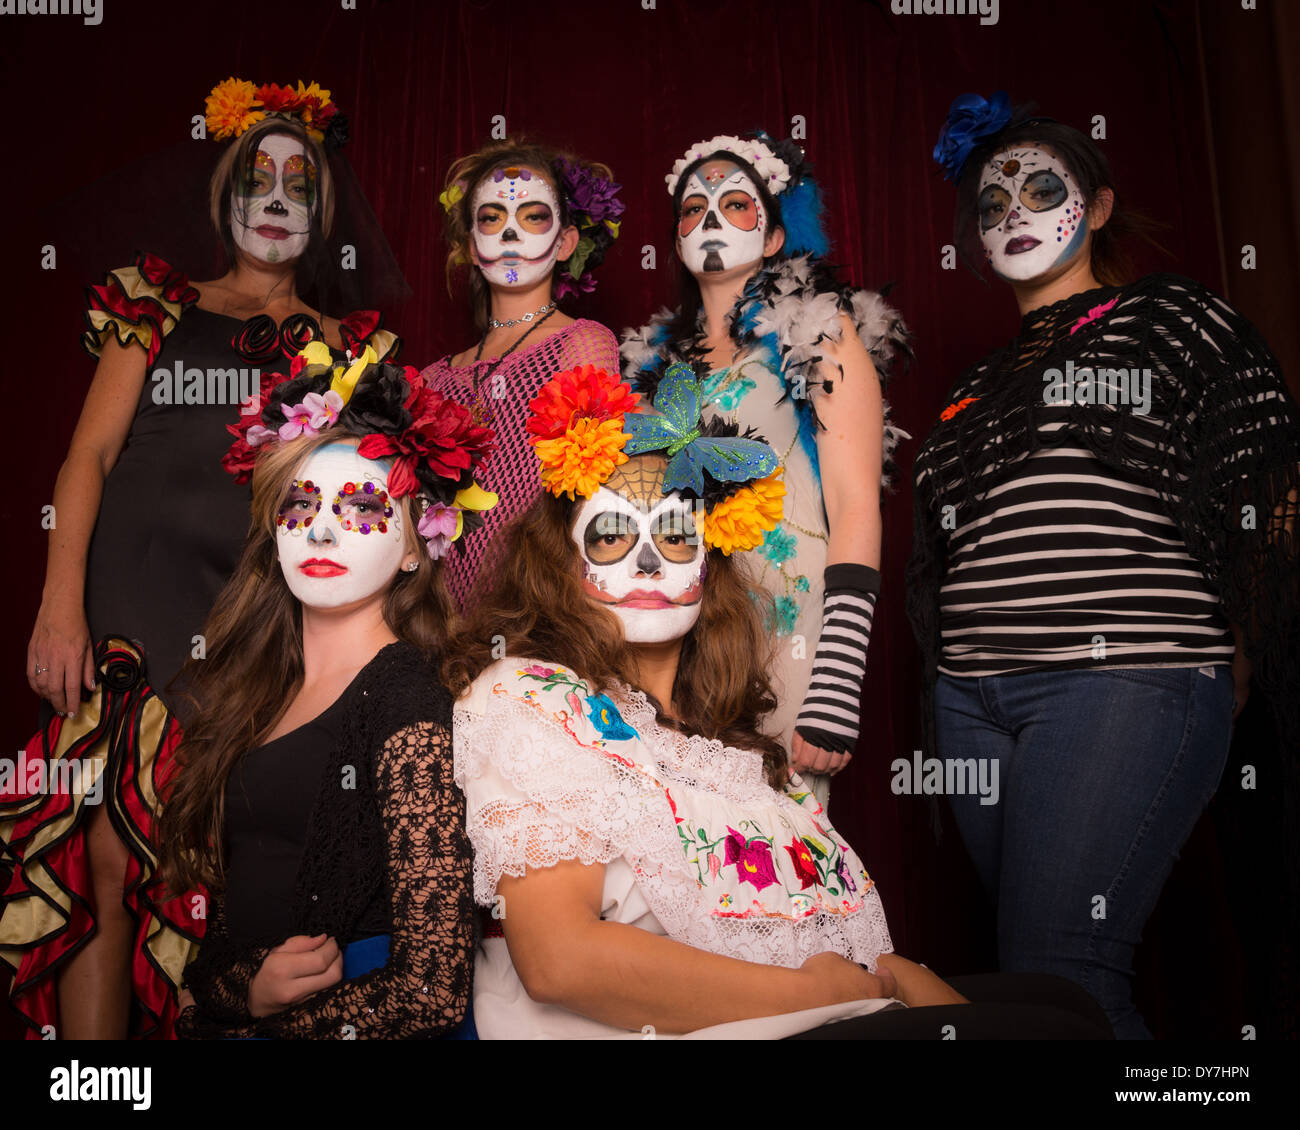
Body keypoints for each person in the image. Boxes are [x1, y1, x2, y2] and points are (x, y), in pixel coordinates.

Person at [444, 363, 1113, 1039]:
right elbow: (563, 962)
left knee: (1065, 1005)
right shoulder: (529, 698)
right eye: (612, 534)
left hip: (812, 1016)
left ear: (712, 564)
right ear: (561, 560)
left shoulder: (732, 749)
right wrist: (813, 994)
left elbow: (840, 949)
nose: (646, 563)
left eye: (676, 535)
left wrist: (898, 981)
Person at [1, 78, 401, 1039]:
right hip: (128, 610)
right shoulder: (156, 305)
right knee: (102, 854)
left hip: (246, 624)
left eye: (297, 183)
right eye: (256, 177)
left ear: (321, 211)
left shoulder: (342, 346)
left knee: (198, 867)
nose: (275, 196)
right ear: (226, 198)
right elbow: (86, 459)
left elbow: (358, 500)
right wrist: (60, 608)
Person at [907, 92, 1300, 1038]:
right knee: (1033, 984)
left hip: (1123, 676)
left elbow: (1273, 482)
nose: (1015, 213)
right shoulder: (974, 386)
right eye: (993, 202)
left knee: (1065, 971)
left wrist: (1240, 642)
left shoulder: (1171, 318)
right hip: (975, 701)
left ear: (1102, 206)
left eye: (1043, 188)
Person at [158, 344, 492, 1038]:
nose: (322, 527)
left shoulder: (407, 701)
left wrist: (266, 1031)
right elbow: (216, 950)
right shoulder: (258, 693)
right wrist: (248, 990)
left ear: (413, 546)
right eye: (300, 503)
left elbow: (432, 987)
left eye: (362, 506)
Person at [621, 132, 909, 808]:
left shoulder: (820, 333)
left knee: (771, 861)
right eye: (693, 207)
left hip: (789, 637)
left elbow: (855, 504)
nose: (710, 217)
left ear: (776, 236)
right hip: (678, 638)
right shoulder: (652, 368)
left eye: (735, 202)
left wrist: (836, 682)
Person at [423, 140, 625, 613]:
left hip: (540, 608)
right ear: (472, 246)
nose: (511, 233)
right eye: (493, 217)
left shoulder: (583, 343)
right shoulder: (433, 378)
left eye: (533, 216)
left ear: (565, 242)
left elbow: (589, 490)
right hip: (437, 619)